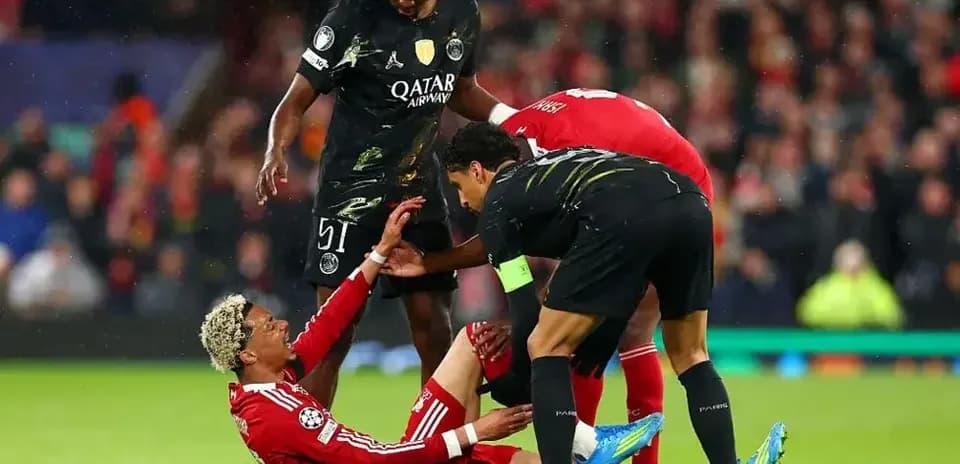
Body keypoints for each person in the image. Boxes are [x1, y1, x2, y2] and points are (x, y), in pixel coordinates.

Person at [381, 88, 715, 464]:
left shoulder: (559, 150)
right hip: (678, 200)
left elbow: (509, 240)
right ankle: (589, 446)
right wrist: (429, 263)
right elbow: (501, 234)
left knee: (594, 332)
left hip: (659, 197)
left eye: (459, 187)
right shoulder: (519, 137)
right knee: (600, 334)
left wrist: (524, 349)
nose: (461, 202)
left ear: (478, 169)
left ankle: (590, 450)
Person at [200, 199, 663, 464]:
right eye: (266, 326)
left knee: (475, 434)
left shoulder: (267, 387)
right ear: (245, 355)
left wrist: (379, 254)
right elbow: (377, 461)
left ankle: (580, 445)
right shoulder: (279, 414)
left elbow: (328, 322)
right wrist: (475, 428)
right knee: (467, 380)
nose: (281, 324)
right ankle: (582, 439)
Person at [255, 0, 518, 409]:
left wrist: (515, 119)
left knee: (434, 328)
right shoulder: (351, 19)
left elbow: (461, 90)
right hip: (349, 197)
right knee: (333, 335)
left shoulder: (461, 12)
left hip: (418, 193)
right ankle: (305, 448)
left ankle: (441, 447)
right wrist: (275, 150)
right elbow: (295, 99)